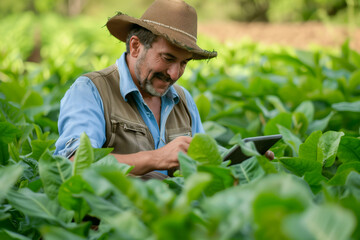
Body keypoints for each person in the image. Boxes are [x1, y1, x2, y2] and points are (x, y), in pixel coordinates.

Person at [54, 0, 273, 179]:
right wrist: (157, 158)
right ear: (135, 46)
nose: (174, 74)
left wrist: (242, 163)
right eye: (167, 58)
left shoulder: (183, 100)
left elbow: (203, 166)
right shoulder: (91, 90)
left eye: (184, 63)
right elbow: (74, 164)